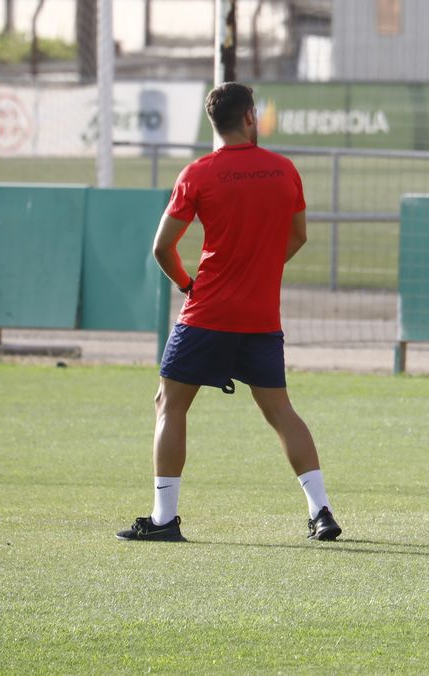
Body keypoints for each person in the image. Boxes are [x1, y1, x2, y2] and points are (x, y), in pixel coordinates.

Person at [117, 82, 342, 543]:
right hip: (261, 317)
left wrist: (187, 284)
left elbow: (162, 247)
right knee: (281, 410)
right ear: (250, 117)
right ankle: (321, 511)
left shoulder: (198, 174)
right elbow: (298, 236)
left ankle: (164, 519)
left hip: (206, 314)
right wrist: (258, 270)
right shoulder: (284, 171)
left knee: (170, 404)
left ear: (212, 122)